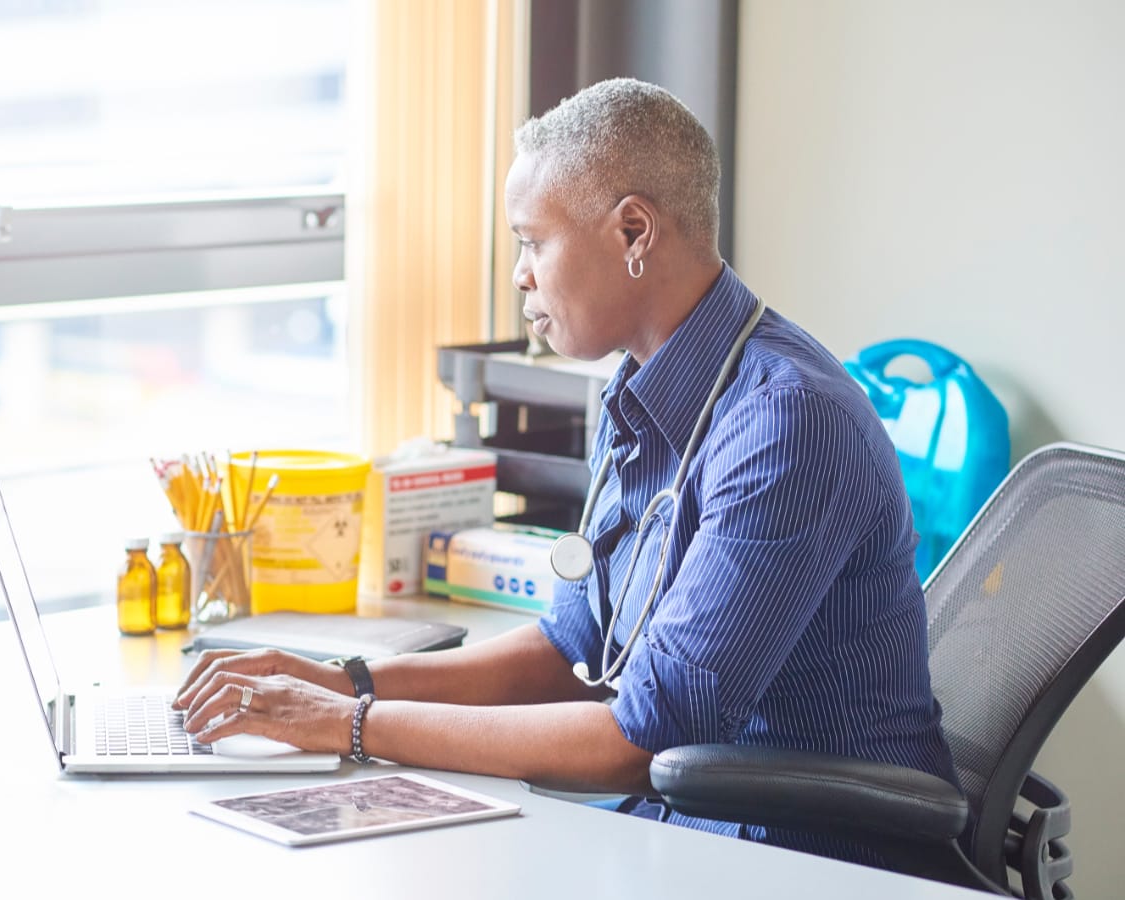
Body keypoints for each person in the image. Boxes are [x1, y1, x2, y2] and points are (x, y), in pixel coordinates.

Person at [175, 78, 957, 861]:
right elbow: (572, 649)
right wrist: (345, 682)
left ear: (632, 233)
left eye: (532, 240)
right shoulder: (637, 397)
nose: (519, 273)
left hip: (813, 859)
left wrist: (346, 725)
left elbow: (641, 738)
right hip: (685, 834)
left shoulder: (788, 424)